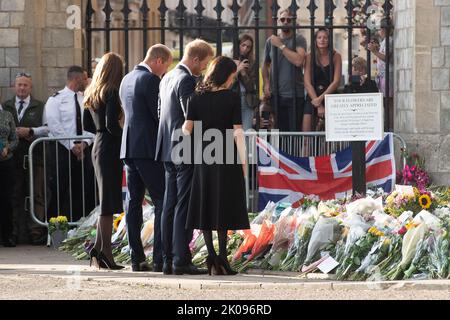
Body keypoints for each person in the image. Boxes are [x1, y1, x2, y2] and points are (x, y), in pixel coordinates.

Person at [182, 56, 249, 275]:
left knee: (207, 205)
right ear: (226, 76)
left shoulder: (195, 97)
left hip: (204, 156)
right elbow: (237, 131)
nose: (232, 81)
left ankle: (211, 257)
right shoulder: (231, 97)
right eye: (232, 76)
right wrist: (244, 160)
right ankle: (222, 258)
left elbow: (186, 129)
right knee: (224, 206)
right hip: (226, 155)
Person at [156, 39, 214, 275]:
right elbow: (191, 113)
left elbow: (161, 112)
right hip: (184, 147)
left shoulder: (167, 77)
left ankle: (166, 259)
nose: (203, 69)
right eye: (204, 64)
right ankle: (180, 259)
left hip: (167, 146)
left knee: (169, 205)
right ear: (196, 59)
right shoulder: (187, 79)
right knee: (183, 205)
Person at [120, 45, 173, 272]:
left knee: (133, 203)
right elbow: (159, 115)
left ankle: (136, 257)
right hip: (148, 149)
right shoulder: (150, 80)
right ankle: (160, 258)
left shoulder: (126, 79)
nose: (164, 72)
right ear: (158, 61)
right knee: (161, 200)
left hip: (130, 148)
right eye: (166, 67)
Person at [83, 53, 125, 270]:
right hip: (109, 147)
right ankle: (105, 253)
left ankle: (98, 251)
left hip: (98, 145)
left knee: (105, 203)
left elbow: (87, 125)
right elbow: (111, 124)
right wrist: (124, 135)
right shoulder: (112, 90)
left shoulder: (91, 91)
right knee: (108, 204)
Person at [1, 72, 48, 245]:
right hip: (11, 160)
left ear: (31, 87)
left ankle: (36, 233)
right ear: (14, 86)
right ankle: (12, 234)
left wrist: (30, 131)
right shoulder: (5, 107)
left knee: (37, 195)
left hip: (35, 159)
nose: (22, 88)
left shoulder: (40, 106)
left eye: (25, 85)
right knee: (13, 196)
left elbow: (48, 128)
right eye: (19, 85)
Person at [45, 66, 96, 222]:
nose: (87, 81)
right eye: (85, 78)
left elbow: (92, 125)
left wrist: (84, 144)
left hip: (84, 151)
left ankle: (80, 224)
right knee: (59, 190)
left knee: (83, 190)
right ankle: (55, 229)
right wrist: (72, 146)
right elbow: (55, 126)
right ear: (77, 79)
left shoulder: (86, 99)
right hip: (62, 151)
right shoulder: (56, 99)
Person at [262, 9, 307, 131]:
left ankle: (293, 151)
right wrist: (266, 83)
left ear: (293, 22)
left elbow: (299, 61)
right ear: (278, 21)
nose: (286, 22)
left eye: (289, 20)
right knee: (279, 133)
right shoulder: (270, 41)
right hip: (276, 95)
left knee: (294, 133)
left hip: (295, 95)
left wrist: (281, 46)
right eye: (283, 19)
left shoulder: (299, 39)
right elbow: (265, 64)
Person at [304, 28, 342, 132]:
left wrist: (321, 99)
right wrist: (318, 104)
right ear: (315, 40)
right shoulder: (309, 56)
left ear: (329, 40)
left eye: (325, 37)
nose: (322, 40)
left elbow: (336, 82)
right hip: (313, 96)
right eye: (319, 37)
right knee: (306, 135)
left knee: (330, 136)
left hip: (330, 96)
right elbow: (307, 83)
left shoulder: (336, 56)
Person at [368, 20, 394, 131]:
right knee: (385, 102)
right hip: (383, 75)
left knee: (388, 102)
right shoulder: (384, 41)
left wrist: (374, 51)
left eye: (380, 29)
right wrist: (377, 49)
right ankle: (387, 125)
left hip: (387, 76)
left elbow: (386, 57)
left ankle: (390, 127)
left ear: (384, 29)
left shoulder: (389, 40)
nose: (379, 31)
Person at [0, 100, 18, 247]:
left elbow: (14, 138)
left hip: (6, 162)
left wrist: (8, 148)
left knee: (6, 199)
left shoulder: (7, 115)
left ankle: (7, 235)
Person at [232, 34, 258, 131]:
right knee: (232, 133)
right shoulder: (229, 60)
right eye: (243, 45)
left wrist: (243, 72)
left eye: (248, 47)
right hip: (233, 98)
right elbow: (226, 84)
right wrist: (237, 70)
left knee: (246, 132)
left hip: (246, 100)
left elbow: (251, 87)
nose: (245, 48)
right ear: (238, 45)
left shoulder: (252, 63)